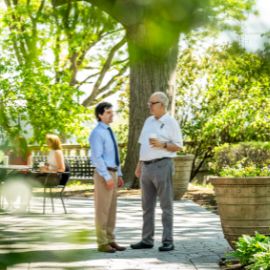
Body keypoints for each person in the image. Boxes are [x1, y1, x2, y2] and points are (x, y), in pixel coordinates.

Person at [130, 91, 183, 252]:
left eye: (152, 103)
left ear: (161, 105)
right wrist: (139, 165)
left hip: (162, 165)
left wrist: (163, 145)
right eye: (149, 103)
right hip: (146, 167)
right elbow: (143, 145)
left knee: (166, 205)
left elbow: (179, 146)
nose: (149, 106)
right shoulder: (148, 121)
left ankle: (168, 241)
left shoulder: (171, 122)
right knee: (147, 206)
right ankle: (147, 240)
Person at [89, 102, 125, 253]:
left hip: (114, 172)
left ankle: (110, 239)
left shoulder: (110, 131)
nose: (112, 115)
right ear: (100, 115)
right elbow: (97, 157)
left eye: (112, 112)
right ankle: (102, 242)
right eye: (108, 112)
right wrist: (106, 176)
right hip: (104, 174)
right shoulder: (97, 133)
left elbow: (114, 155)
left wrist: (119, 174)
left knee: (111, 210)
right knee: (102, 210)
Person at [3, 135, 32, 211]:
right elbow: (6, 164)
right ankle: (10, 204)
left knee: (20, 181)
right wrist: (7, 155)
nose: (14, 143)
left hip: (23, 173)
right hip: (12, 173)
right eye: (14, 142)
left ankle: (22, 206)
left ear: (21, 143)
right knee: (6, 182)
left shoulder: (27, 152)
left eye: (16, 142)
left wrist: (21, 169)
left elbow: (30, 166)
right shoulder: (12, 152)